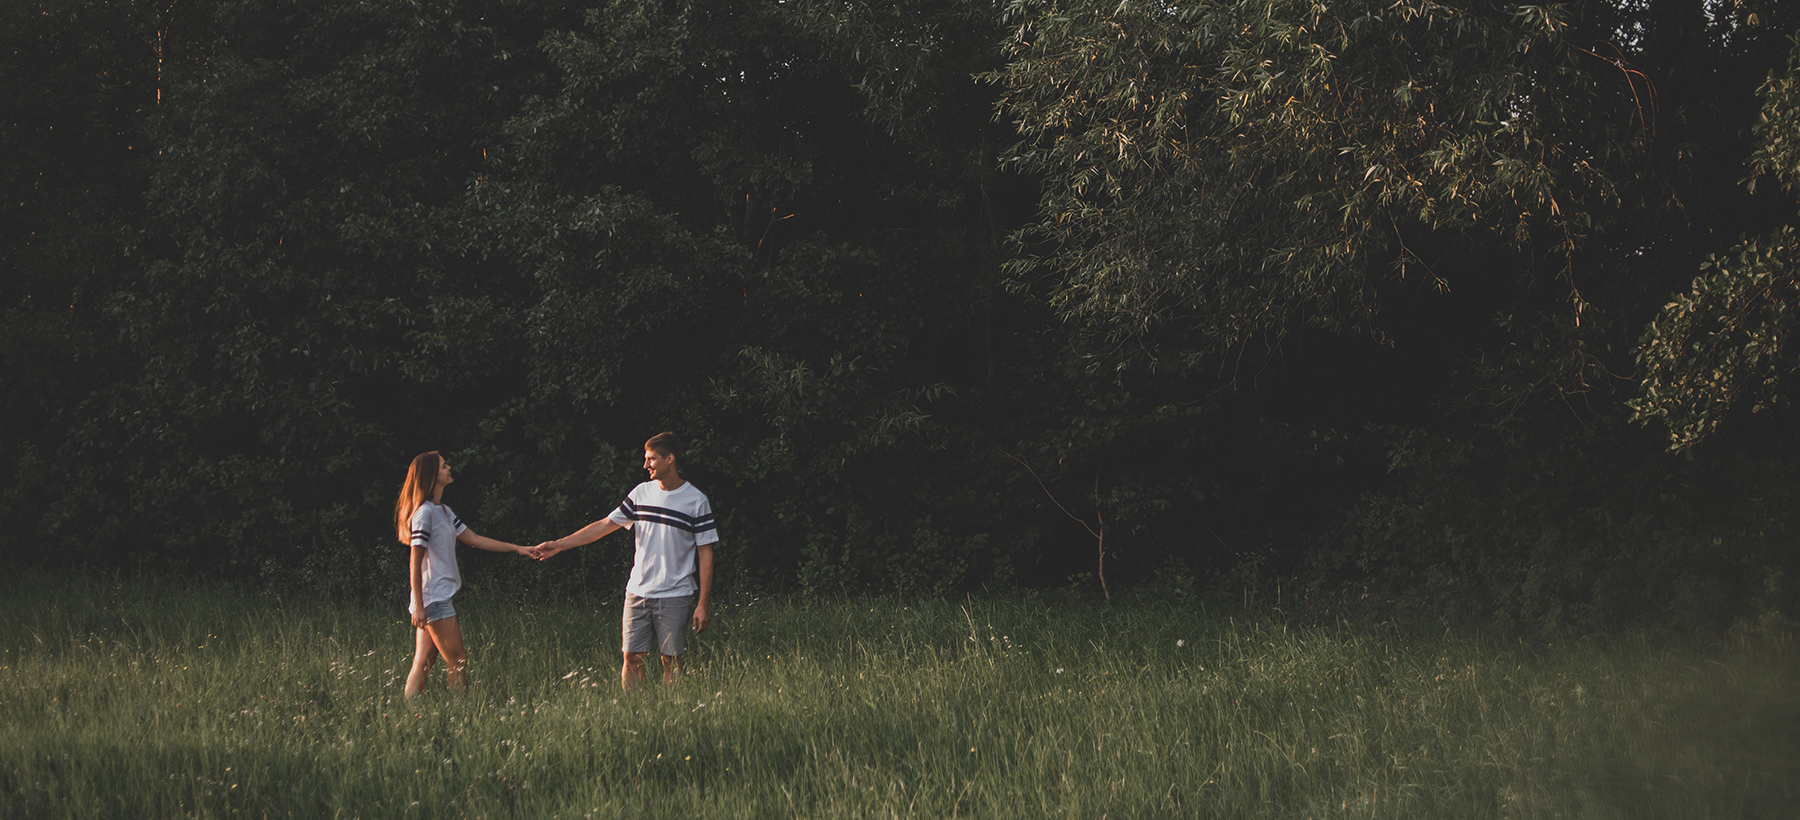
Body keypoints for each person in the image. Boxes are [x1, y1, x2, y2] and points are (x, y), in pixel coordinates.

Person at [532, 432, 719, 690]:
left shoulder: (696, 501)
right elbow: (603, 526)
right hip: (638, 592)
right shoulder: (641, 493)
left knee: (671, 660)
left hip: (676, 594)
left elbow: (706, 554)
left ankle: (675, 715)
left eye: (651, 459)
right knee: (631, 658)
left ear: (670, 458)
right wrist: (559, 545)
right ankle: (635, 715)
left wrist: (703, 604)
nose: (646, 465)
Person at [393, 451, 531, 697]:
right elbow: (414, 562)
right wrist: (419, 605)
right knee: (458, 660)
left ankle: (409, 713)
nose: (449, 468)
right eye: (444, 466)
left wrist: (519, 549)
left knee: (423, 661)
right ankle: (462, 712)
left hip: (435, 598)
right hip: (432, 599)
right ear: (431, 476)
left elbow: (476, 540)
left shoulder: (443, 511)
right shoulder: (425, 513)